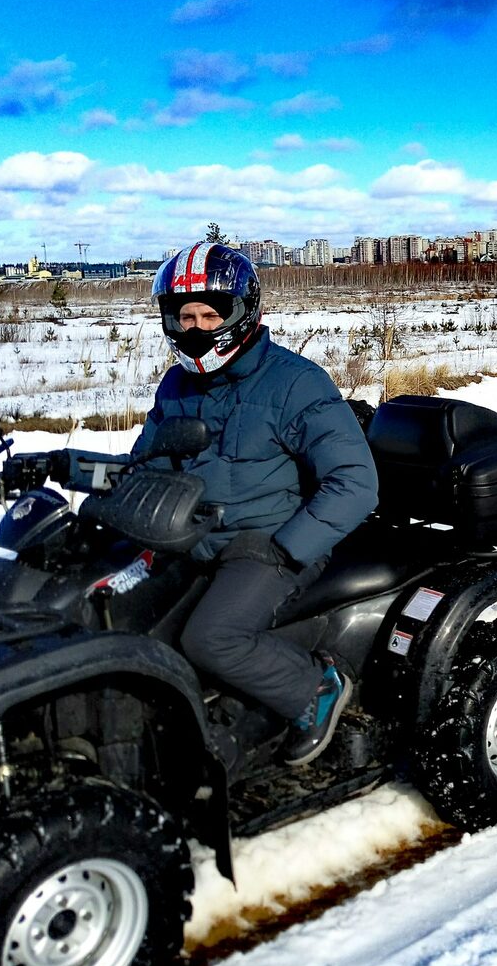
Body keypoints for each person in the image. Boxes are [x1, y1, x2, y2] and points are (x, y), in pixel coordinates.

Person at [133, 241, 378, 766]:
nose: (196, 328)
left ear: (243, 313)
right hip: (193, 535)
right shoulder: (178, 384)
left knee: (211, 639)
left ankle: (315, 688)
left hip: (269, 541)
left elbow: (355, 481)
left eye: (209, 315)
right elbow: (149, 460)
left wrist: (288, 547)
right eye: (186, 316)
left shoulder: (295, 382)